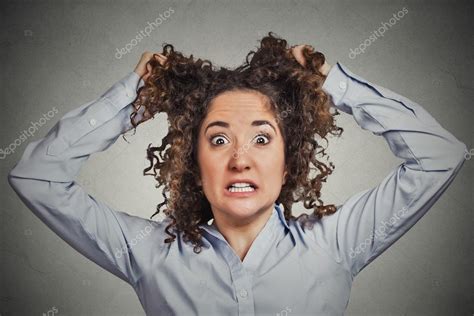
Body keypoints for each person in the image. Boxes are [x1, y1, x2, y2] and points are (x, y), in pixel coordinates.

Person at [8, 32, 467, 315]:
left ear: (288, 164)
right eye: (219, 139)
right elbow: (36, 178)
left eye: (262, 139)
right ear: (194, 162)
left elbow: (440, 155)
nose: (240, 159)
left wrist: (335, 85)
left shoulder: (336, 244)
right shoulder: (150, 256)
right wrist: (133, 100)